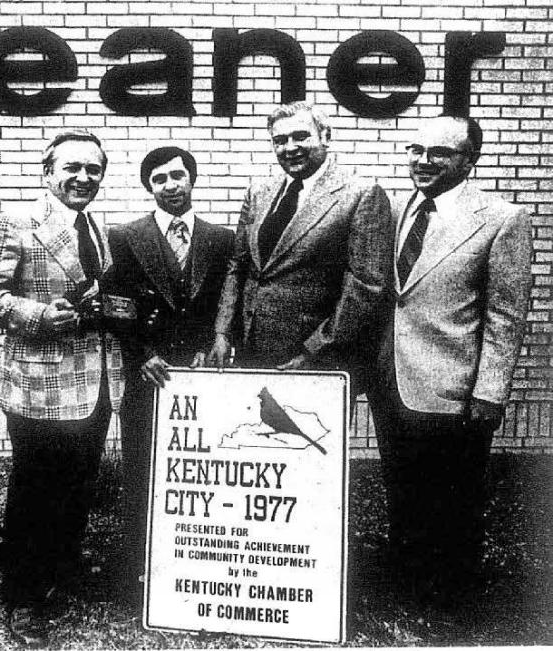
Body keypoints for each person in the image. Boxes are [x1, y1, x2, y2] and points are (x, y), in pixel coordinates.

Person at [0, 131, 124, 645]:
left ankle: (59, 574)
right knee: (35, 493)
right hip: (39, 387)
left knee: (78, 490)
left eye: (93, 170)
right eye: (72, 168)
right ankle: (23, 598)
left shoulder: (94, 227)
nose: (83, 178)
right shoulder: (16, 221)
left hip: (95, 383)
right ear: (46, 172)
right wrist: (35, 316)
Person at [369, 114, 532, 602]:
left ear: (469, 159)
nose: (422, 161)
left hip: (455, 386)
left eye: (438, 153)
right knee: (402, 483)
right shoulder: (398, 210)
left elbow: (506, 315)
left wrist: (489, 391)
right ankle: (406, 575)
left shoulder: (502, 219)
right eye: (415, 149)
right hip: (392, 379)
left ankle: (454, 593)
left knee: (454, 495)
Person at [104, 146, 235, 595]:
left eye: (178, 176)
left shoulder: (221, 239)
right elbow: (116, 306)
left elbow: (226, 301)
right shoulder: (123, 237)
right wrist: (142, 354)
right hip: (149, 375)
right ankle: (139, 574)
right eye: (158, 179)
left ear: (192, 180)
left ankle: (194, 569)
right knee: (144, 469)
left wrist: (212, 346)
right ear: (149, 188)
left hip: (201, 375)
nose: (170, 186)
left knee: (200, 473)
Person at [204, 101, 393, 391]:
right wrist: (222, 333)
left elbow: (365, 286)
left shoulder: (361, 195)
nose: (289, 147)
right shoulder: (258, 192)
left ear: (325, 137)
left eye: (300, 136)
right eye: (279, 141)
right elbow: (238, 266)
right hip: (251, 356)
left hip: (316, 361)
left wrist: (313, 350)